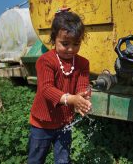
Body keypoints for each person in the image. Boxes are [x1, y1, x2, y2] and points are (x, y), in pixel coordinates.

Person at [27, 8, 92, 164]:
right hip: (42, 123)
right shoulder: (46, 61)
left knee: (63, 160)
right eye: (65, 44)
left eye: (76, 44)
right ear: (53, 39)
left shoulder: (82, 63)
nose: (70, 49)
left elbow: (82, 87)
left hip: (64, 122)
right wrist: (71, 100)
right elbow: (46, 89)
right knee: (36, 159)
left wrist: (83, 99)